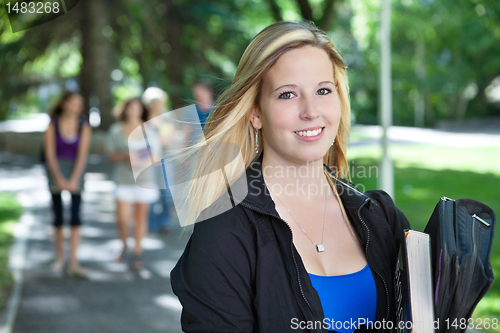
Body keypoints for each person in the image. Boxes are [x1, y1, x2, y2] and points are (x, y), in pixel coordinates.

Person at [170, 21, 410, 333]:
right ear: (255, 112)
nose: (311, 111)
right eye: (287, 95)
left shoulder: (379, 216)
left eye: (323, 90)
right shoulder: (223, 230)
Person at [106, 98, 160, 269]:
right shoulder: (116, 130)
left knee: (140, 219)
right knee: (122, 220)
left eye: (137, 108)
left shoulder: (149, 130)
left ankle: (137, 252)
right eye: (131, 108)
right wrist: (126, 157)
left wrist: (141, 161)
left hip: (144, 180)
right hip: (123, 180)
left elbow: (157, 155)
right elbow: (111, 155)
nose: (134, 111)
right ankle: (124, 245)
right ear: (125, 109)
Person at [43, 91, 91, 278]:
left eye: (79, 104)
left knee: (75, 218)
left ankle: (73, 261)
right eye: (73, 103)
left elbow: (83, 155)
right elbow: (50, 154)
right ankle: (59, 259)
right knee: (58, 217)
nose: (76, 107)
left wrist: (73, 180)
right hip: (56, 170)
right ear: (64, 103)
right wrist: (60, 179)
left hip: (75, 171)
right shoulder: (52, 124)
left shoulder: (83, 125)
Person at [142, 87, 176, 235]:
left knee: (167, 193)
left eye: (159, 101)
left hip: (164, 159)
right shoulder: (142, 119)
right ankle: (152, 224)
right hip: (147, 161)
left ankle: (165, 222)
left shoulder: (166, 118)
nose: (157, 104)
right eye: (154, 102)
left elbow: (168, 139)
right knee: (150, 193)